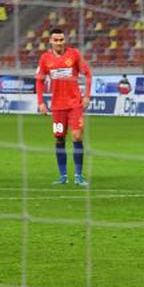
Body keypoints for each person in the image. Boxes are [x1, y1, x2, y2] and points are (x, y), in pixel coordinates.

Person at [35, 28, 92, 185]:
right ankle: (63, 176)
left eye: (61, 40)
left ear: (65, 40)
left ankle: (79, 175)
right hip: (57, 107)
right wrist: (40, 102)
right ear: (51, 41)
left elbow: (87, 74)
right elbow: (39, 80)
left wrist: (87, 95)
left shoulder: (74, 54)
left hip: (75, 104)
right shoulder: (45, 58)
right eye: (56, 40)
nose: (59, 43)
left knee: (77, 136)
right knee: (59, 138)